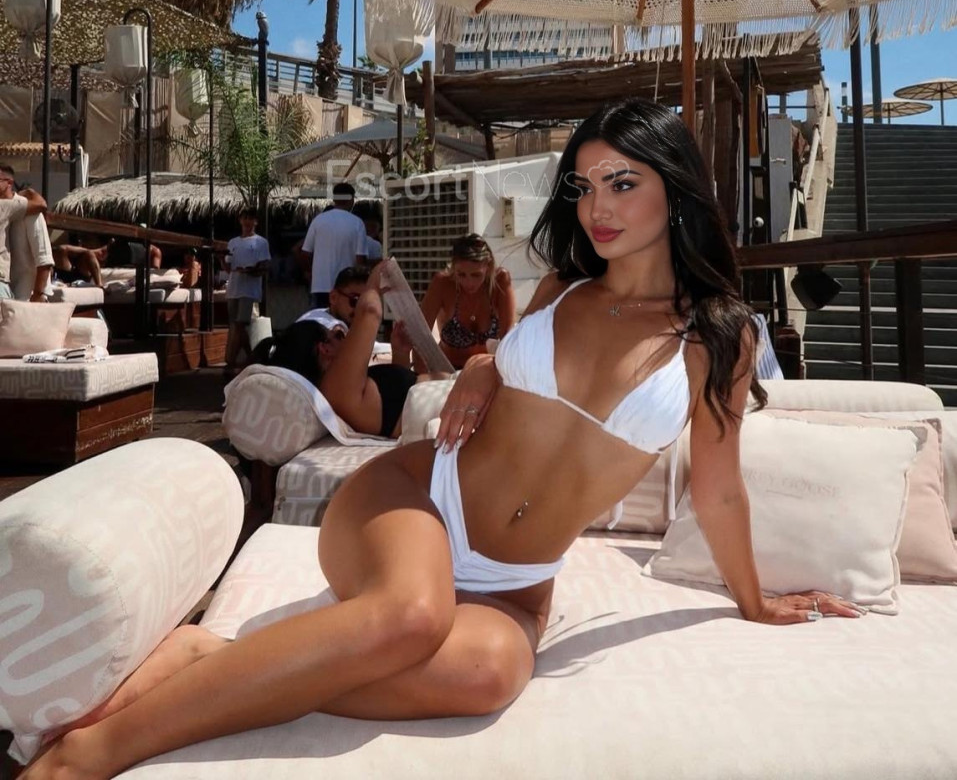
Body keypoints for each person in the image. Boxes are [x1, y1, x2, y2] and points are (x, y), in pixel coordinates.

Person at [23, 99, 860, 780]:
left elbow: (718, 488)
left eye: (621, 183)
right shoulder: (562, 288)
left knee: (490, 675)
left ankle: (211, 657)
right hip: (417, 497)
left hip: (513, 584)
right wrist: (484, 369)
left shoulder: (718, 335)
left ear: (674, 191)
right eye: (583, 187)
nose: (597, 208)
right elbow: (515, 362)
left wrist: (753, 600)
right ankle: (92, 756)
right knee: (410, 615)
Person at [256, 266, 419, 438]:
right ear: (324, 348)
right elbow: (370, 311)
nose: (345, 339)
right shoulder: (337, 391)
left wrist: (400, 353)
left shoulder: (342, 388)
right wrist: (373, 283)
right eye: (339, 335)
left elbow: (396, 405)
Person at [418, 233, 515, 371]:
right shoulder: (443, 284)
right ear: (453, 268)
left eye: (476, 275)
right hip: (448, 370)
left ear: (488, 267)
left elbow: (508, 338)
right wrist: (420, 377)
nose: (469, 283)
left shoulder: (500, 282)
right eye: (461, 274)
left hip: (486, 371)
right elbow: (420, 337)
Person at [298, 182, 368, 308]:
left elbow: (305, 253)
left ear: (334, 199)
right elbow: (360, 259)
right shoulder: (357, 223)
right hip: (347, 288)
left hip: (320, 285)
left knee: (321, 319)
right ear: (351, 199)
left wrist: (310, 273)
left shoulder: (319, 221)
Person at [224, 209, 271, 375]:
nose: (247, 221)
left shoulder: (260, 242)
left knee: (240, 324)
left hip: (249, 289)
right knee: (236, 325)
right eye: (245, 218)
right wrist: (220, 259)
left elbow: (264, 266)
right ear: (240, 220)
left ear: (255, 222)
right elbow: (228, 268)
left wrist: (252, 271)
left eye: (250, 218)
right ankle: (253, 357)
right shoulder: (233, 242)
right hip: (233, 287)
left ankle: (229, 360)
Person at [0, 165, 47, 300]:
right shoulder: (5, 206)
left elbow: (44, 259)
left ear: (9, 183)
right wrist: (29, 193)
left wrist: (38, 293)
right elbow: (41, 204)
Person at [297, 264, 370, 330]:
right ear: (333, 297)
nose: (360, 309)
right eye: (355, 300)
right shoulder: (320, 327)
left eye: (367, 303)